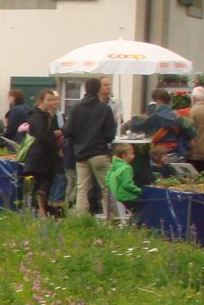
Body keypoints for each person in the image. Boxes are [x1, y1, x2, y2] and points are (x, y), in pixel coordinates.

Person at [62, 77, 115, 217]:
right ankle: (111, 216)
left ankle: (81, 217)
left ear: (85, 89)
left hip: (81, 153)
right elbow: (110, 135)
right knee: (107, 187)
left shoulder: (76, 108)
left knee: (82, 188)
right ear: (98, 89)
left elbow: (67, 131)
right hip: (99, 152)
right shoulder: (105, 109)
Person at [21, 90, 62, 216]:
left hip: (46, 156)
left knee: (44, 185)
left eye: (52, 100)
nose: (51, 103)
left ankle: (42, 210)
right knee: (40, 185)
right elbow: (42, 136)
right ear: (41, 101)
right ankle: (40, 211)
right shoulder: (37, 116)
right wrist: (54, 138)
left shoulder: (47, 115)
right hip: (39, 157)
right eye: (48, 100)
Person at [130, 89, 192, 157]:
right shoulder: (178, 115)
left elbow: (135, 128)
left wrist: (134, 118)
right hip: (175, 152)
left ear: (158, 101)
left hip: (158, 153)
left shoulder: (155, 117)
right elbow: (192, 133)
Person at [106, 142, 142, 222]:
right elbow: (127, 184)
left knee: (132, 210)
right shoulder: (127, 168)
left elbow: (107, 180)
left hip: (118, 195)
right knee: (141, 207)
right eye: (132, 154)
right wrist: (139, 191)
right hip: (128, 196)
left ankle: (132, 223)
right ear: (124, 155)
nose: (134, 156)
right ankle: (136, 224)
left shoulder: (113, 166)